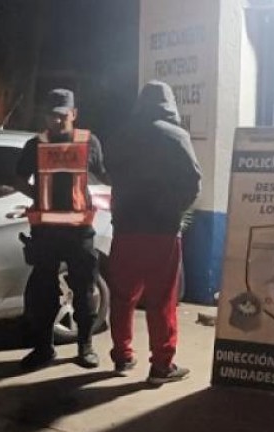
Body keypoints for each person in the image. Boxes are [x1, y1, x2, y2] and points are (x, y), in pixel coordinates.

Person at [105, 80, 201, 385]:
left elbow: (109, 172)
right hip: (161, 231)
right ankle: (161, 365)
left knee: (123, 296)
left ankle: (122, 356)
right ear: (169, 103)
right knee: (162, 299)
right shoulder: (176, 136)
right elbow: (193, 181)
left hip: (125, 228)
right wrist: (174, 210)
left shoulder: (122, 135)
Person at [13, 88, 108, 371]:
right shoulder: (35, 145)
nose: (55, 121)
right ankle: (44, 349)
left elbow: (104, 174)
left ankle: (85, 347)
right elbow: (18, 179)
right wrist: (39, 196)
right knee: (43, 293)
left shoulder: (89, 142)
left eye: (61, 116)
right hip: (46, 232)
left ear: (74, 114)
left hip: (79, 231)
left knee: (84, 291)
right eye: (50, 115)